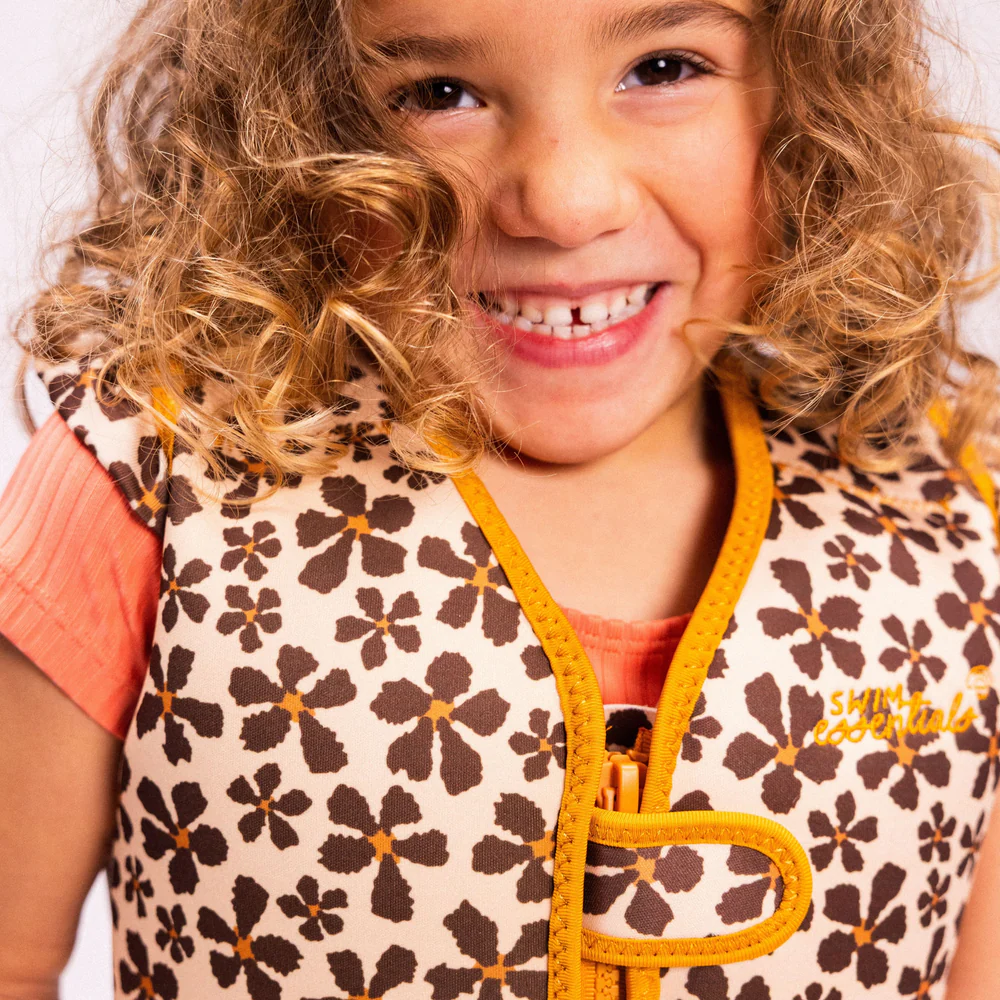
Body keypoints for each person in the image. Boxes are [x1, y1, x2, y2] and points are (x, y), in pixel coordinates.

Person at [2, 0, 1000, 997]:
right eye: (439, 94)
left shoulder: (958, 544)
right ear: (293, 123)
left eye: (663, 70)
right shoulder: (155, 487)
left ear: (815, 93)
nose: (565, 200)